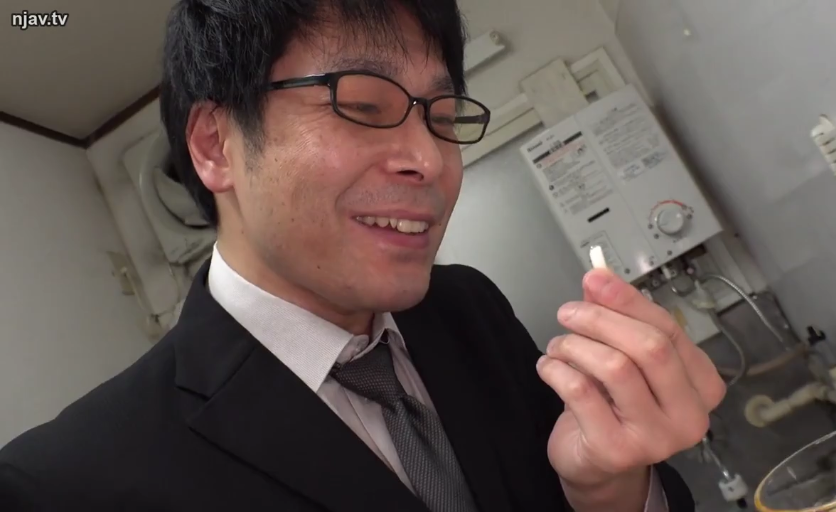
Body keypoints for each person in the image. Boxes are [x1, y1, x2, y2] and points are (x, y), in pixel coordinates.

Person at [0, 0, 726, 510]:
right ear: (216, 145)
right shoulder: (61, 484)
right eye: (361, 104)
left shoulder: (468, 308)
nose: (428, 159)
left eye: (442, 116)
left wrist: (606, 488)